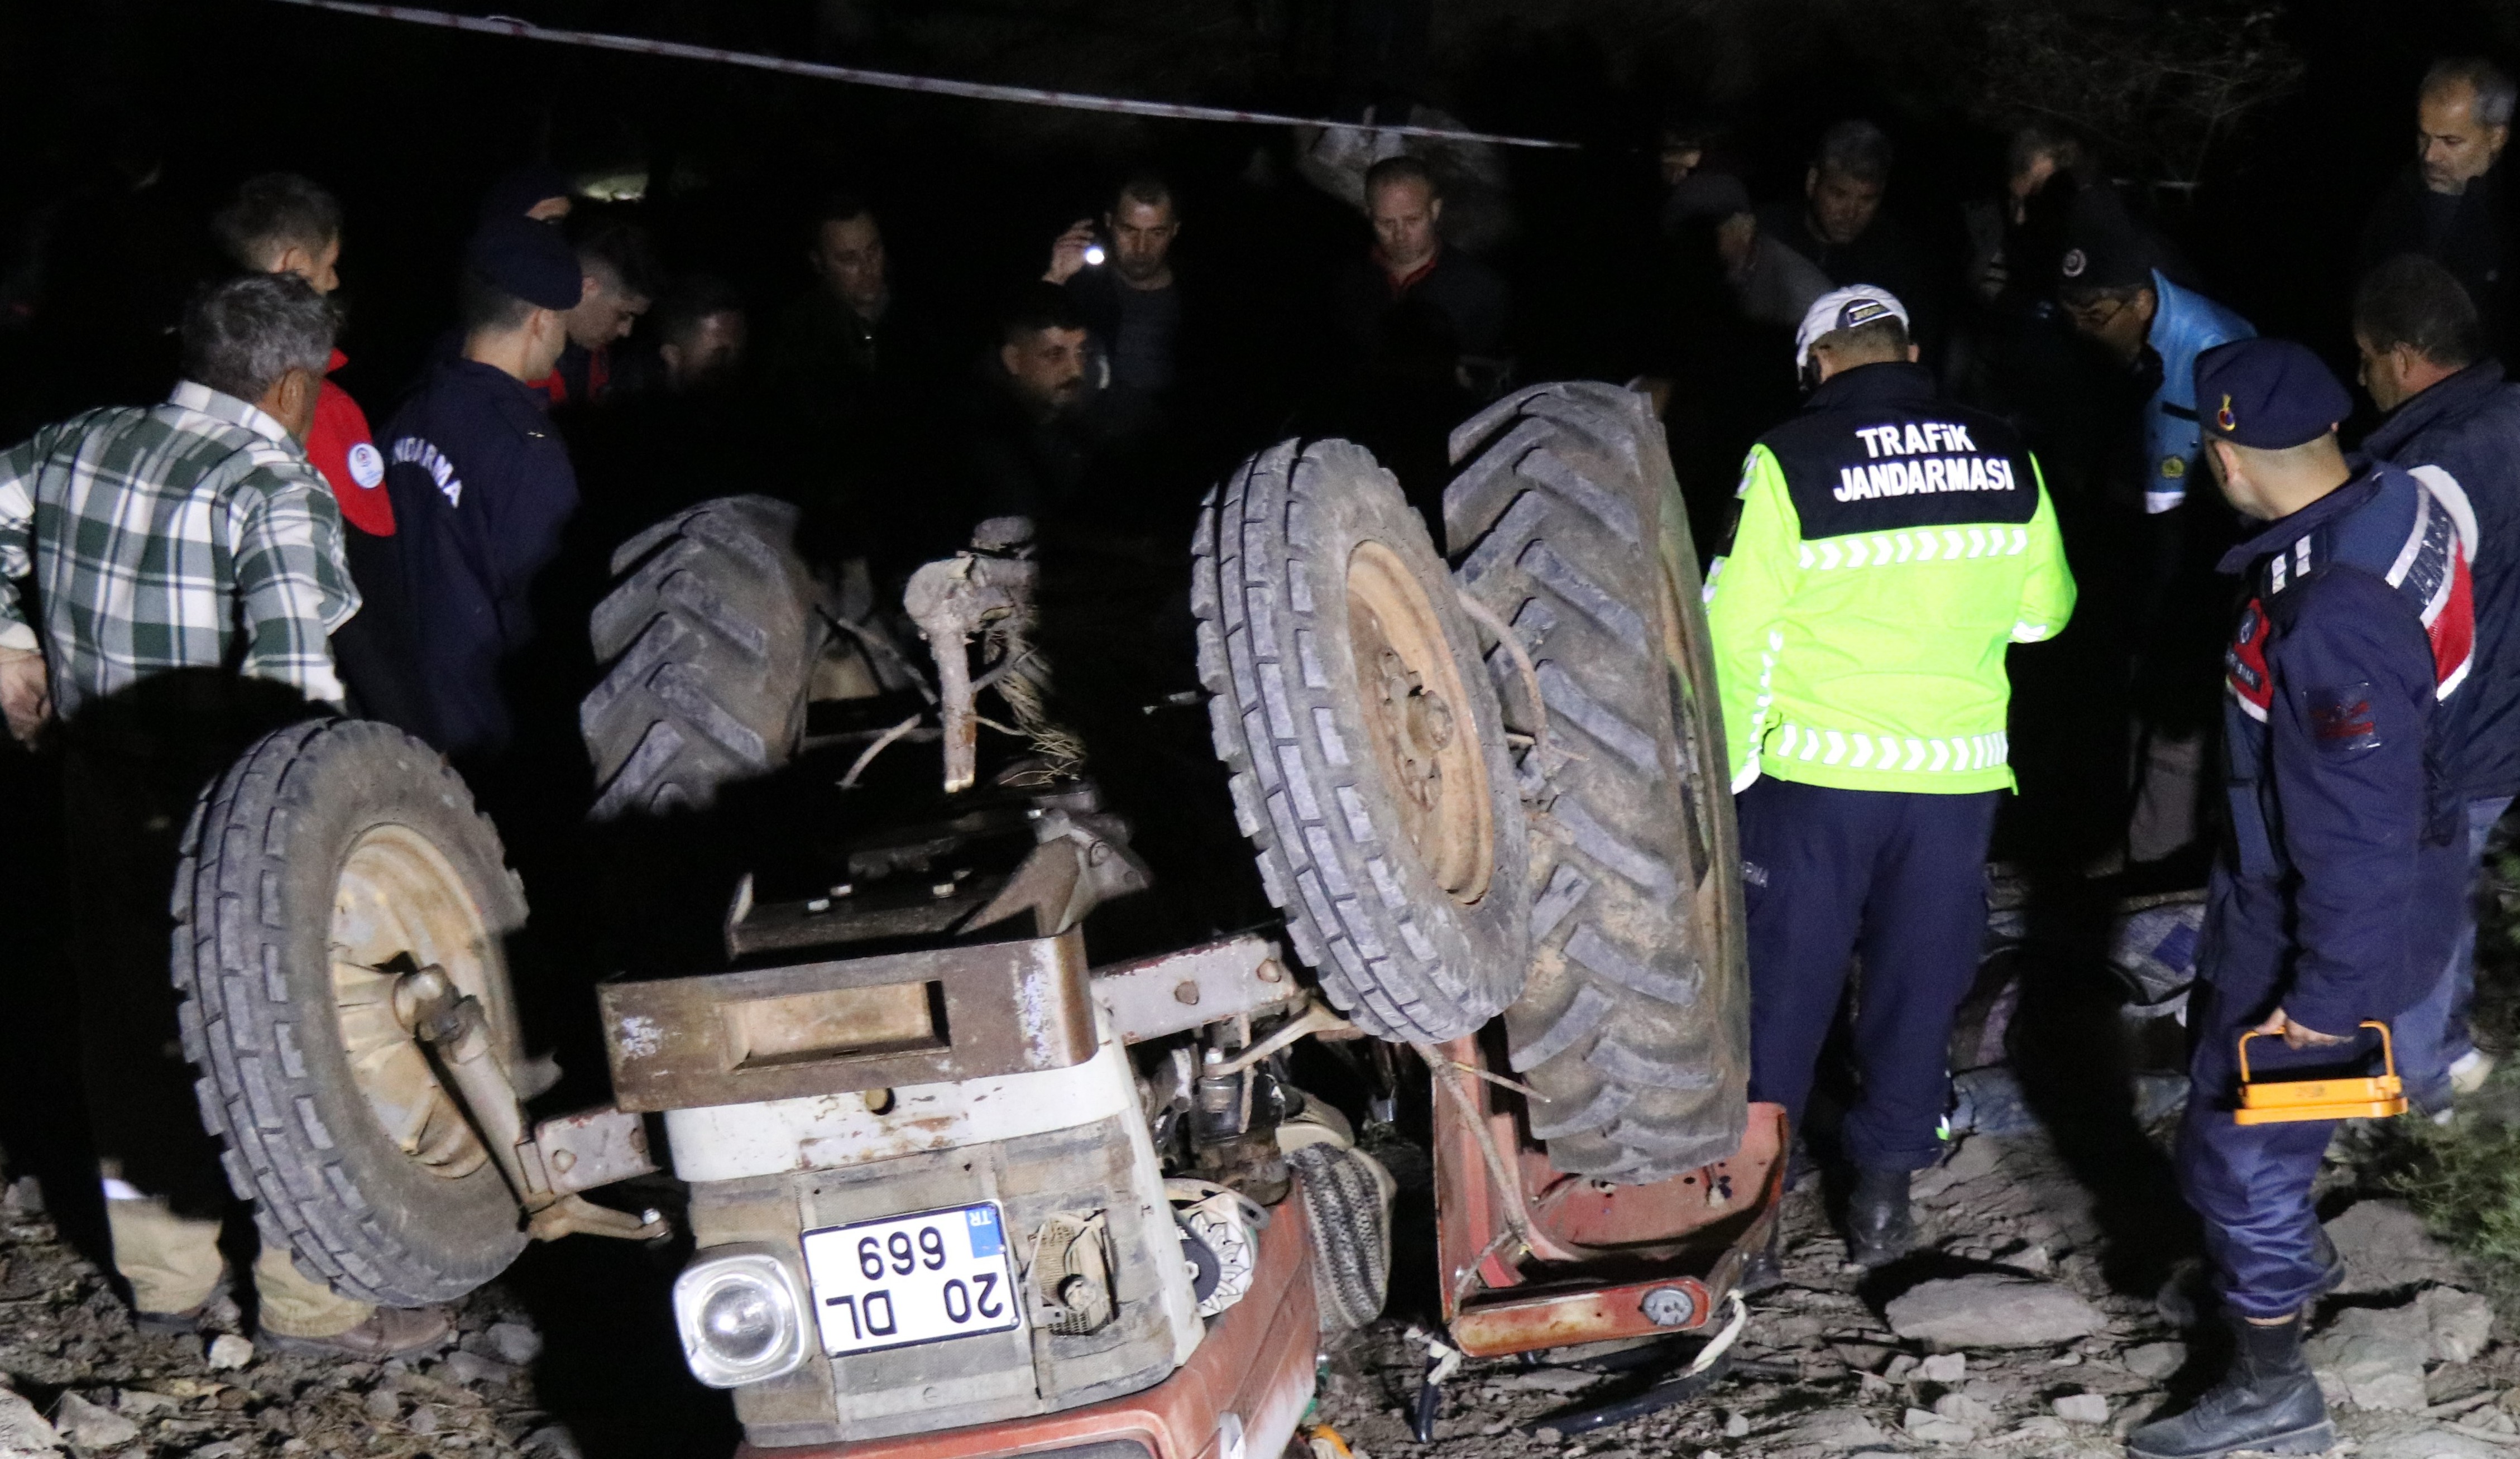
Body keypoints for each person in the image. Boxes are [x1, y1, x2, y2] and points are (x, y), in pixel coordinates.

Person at [0, 274, 445, 1356]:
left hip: (101, 783)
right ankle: (312, 1304)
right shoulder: (272, 485)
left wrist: (10, 641)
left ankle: (165, 1280)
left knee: (127, 1027)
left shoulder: (76, 443)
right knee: (289, 1041)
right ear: (291, 385)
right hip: (232, 818)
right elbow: (298, 688)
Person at [2130, 339, 2475, 1459]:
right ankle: (2271, 1272)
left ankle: (2275, 1390)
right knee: (2221, 1129)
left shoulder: (2330, 611)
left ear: (2226, 454)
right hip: (2326, 895)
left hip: (2319, 926)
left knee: (2240, 1156)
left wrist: (2323, 1005)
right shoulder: (2398, 507)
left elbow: (2359, 831)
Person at [1705, 287, 2074, 1274]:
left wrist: (1733, 770)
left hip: (1812, 780)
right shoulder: (2005, 453)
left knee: (1781, 997)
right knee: (1916, 992)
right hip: (1952, 785)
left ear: (1813, 362)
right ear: (1908, 350)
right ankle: (1882, 1202)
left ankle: (1752, 1220)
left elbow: (1729, 631)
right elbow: (2046, 612)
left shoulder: (1786, 460)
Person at [2351, 254, 2520, 1114]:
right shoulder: (2510, 415)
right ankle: (2446, 1051)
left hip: (2454, 729)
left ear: (2406, 357)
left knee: (2416, 900)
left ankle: (2418, 1089)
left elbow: (2399, 616)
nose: (2362, 378)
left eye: (2366, 358)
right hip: (2507, 718)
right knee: (2452, 885)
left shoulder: (2433, 470)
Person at [2058, 188, 2255, 871]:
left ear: (2141, 301)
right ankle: (2134, 830)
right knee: (2130, 683)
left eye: (2092, 314)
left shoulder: (2213, 348)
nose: (2081, 326)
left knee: (2177, 697)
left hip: (2205, 541)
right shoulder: (2117, 338)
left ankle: (2156, 857)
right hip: (2140, 525)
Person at [210, 171, 417, 727]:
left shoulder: (193, 387)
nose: (333, 280)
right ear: (293, 266)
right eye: (329, 263)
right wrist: (412, 722)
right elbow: (363, 590)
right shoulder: (319, 409)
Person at [381, 216, 582, 762]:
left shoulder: (406, 415)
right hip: (483, 744)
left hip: (400, 722)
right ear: (542, 321)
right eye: (562, 325)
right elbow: (544, 625)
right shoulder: (527, 452)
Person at [1327, 155, 1510, 516]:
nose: (1400, 235)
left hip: (1446, 469)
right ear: (1368, 215)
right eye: (1386, 223)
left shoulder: (1479, 289)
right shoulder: (1346, 285)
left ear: (1436, 210)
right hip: (1358, 462)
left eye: (1413, 220)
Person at [2363, 57, 2517, 351]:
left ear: (2497, 136)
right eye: (2424, 137)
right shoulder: (2397, 194)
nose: (2430, 156)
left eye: (2451, 141)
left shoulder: (2506, 216)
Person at [1757, 121, 1938, 350]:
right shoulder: (1768, 232)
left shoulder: (1895, 261)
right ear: (1813, 181)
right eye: (1838, 194)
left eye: (1867, 199)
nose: (1850, 213)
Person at [1045, 172, 1192, 447]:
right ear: (1111, 224)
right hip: (1085, 442)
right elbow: (1022, 348)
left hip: (1170, 443)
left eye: (1156, 233)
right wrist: (1055, 277)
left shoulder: (1195, 295)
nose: (1141, 247)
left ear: (1174, 230)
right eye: (1130, 230)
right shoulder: (1086, 286)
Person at [956, 283, 1093, 522]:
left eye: (1081, 353)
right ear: (1013, 359)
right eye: (1055, 355)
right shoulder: (979, 443)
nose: (1075, 370)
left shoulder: (1072, 420)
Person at [529, 218, 658, 409]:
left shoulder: (597, 358)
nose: (626, 331)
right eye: (624, 315)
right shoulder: (514, 354)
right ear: (587, 288)